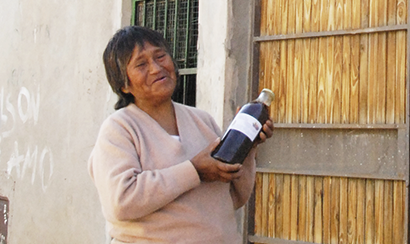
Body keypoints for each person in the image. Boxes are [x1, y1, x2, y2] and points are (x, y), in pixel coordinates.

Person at [88, 26, 274, 244]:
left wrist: (248, 147)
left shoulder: (201, 120)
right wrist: (194, 171)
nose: (157, 68)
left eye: (160, 56)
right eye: (141, 64)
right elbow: (121, 200)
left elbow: (233, 198)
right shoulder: (119, 129)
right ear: (123, 84)